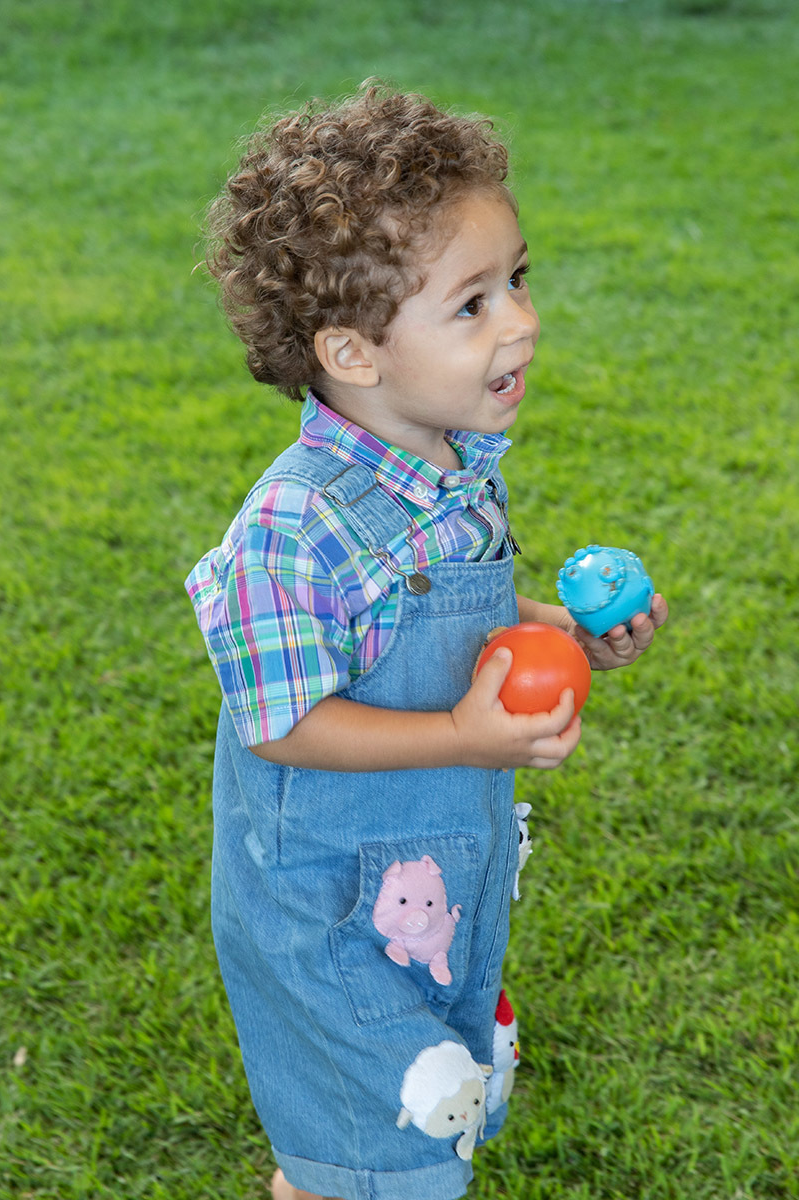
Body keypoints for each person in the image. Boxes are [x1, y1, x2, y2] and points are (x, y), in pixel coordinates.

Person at [185, 84, 668, 1200]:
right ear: (352, 353)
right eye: (471, 304)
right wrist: (461, 730)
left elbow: (447, 613)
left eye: (517, 281)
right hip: (333, 907)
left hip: (431, 871)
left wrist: (557, 633)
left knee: (381, 1137)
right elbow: (284, 723)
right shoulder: (290, 531)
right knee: (383, 1150)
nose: (522, 321)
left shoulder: (447, 465)